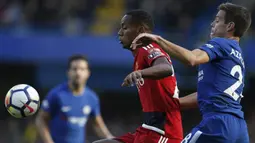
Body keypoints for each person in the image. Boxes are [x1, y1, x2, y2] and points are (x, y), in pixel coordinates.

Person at [132, 2, 251, 143]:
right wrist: (173, 104)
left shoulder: (221, 43)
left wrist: (157, 40)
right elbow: (208, 95)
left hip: (218, 124)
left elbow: (192, 59)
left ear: (230, 26)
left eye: (218, 20)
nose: (212, 23)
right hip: (239, 128)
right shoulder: (237, 55)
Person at [93, 10, 183, 143]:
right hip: (148, 128)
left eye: (125, 27)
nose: (119, 32)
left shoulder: (149, 48)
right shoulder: (139, 56)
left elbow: (166, 68)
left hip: (163, 130)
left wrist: (140, 73)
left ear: (140, 30)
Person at [36, 55, 113, 143]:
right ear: (68, 72)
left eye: (82, 69)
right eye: (74, 69)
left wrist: (111, 138)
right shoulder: (56, 94)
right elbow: (41, 120)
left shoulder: (92, 98)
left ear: (88, 73)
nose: (78, 73)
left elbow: (98, 125)